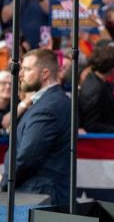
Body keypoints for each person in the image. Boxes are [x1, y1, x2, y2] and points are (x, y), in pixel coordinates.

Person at [0, 49, 71, 205]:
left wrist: (5, 183)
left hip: (38, 194)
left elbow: (28, 157)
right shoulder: (51, 101)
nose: (21, 74)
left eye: (27, 69)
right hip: (39, 191)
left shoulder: (48, 107)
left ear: (44, 74)